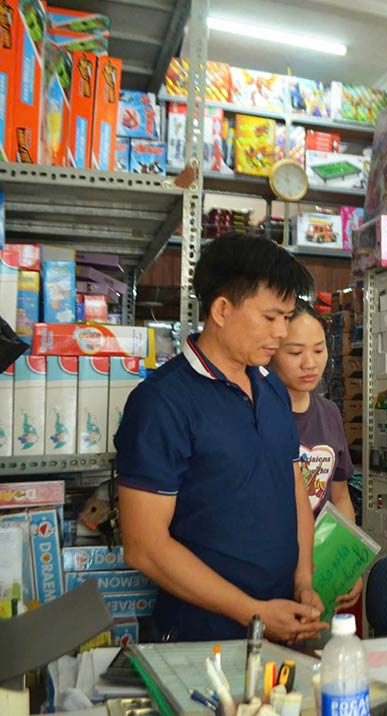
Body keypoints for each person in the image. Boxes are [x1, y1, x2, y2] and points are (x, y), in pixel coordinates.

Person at [116, 235, 328, 644]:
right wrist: (254, 613)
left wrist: (304, 579)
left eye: (287, 317)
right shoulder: (162, 402)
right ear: (222, 310)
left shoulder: (271, 388)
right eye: (271, 317)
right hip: (203, 636)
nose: (282, 332)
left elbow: (294, 489)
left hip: (283, 619)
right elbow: (145, 547)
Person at [269, 299, 362, 613]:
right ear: (271, 350)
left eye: (319, 350)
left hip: (322, 563)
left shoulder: (329, 412)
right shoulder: (257, 412)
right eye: (295, 353)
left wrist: (349, 562)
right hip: (271, 568)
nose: (310, 363)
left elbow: (340, 496)